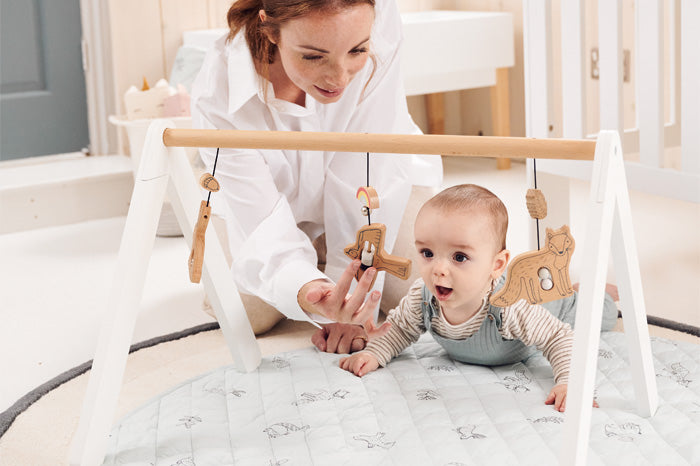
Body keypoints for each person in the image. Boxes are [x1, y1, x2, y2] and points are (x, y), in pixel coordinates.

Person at [191, 0, 441, 337]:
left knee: (429, 290)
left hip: (373, 188)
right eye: (313, 55)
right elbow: (260, 219)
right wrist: (315, 292)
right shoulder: (219, 89)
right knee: (247, 315)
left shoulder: (380, 20)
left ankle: (320, 251)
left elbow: (370, 169)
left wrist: (348, 299)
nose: (339, 78)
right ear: (270, 29)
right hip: (272, 203)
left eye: (357, 50)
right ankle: (310, 256)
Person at [339, 184, 619, 412]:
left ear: (497, 266)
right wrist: (375, 352)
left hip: (556, 306)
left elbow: (559, 337)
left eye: (459, 257)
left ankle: (591, 291)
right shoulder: (423, 298)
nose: (438, 269)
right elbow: (399, 329)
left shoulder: (509, 306)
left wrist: (569, 381)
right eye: (427, 253)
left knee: (597, 314)